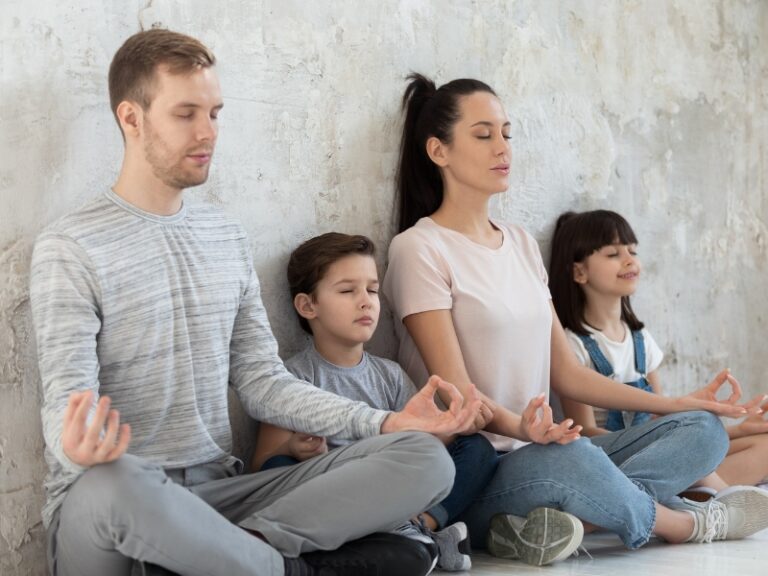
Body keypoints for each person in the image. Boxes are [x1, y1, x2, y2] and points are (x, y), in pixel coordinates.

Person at [29, 30, 483, 576]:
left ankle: (232, 555)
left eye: (216, 113)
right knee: (111, 483)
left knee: (423, 457)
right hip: (119, 507)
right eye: (186, 114)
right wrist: (77, 446)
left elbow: (263, 382)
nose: (208, 132)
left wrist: (385, 423)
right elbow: (65, 401)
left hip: (226, 498)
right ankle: (280, 570)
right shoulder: (72, 245)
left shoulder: (225, 236)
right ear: (132, 118)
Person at [381, 73, 768, 566]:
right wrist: (527, 431)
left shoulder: (519, 242)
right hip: (480, 470)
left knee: (702, 429)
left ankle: (565, 521)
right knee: (576, 457)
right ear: (439, 152)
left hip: (546, 453)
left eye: (507, 133)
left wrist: (672, 402)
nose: (502, 147)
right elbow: (459, 399)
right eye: (483, 135)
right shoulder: (419, 249)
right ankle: (685, 523)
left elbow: (568, 375)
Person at [251, 232, 500, 571]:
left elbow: (426, 449)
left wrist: (453, 426)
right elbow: (263, 469)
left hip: (395, 496)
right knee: (277, 470)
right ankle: (402, 536)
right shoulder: (292, 379)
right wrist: (296, 450)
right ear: (308, 305)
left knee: (476, 449)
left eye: (371, 289)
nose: (365, 301)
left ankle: (420, 525)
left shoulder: (389, 375)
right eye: (346, 290)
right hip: (332, 499)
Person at [548, 209, 768, 491]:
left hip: (658, 448)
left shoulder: (641, 339)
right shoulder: (574, 346)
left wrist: (736, 430)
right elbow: (585, 432)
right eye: (613, 254)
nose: (630, 260)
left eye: (632, 251)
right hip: (614, 459)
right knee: (692, 460)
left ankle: (692, 489)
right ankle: (701, 491)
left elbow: (661, 416)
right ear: (579, 271)